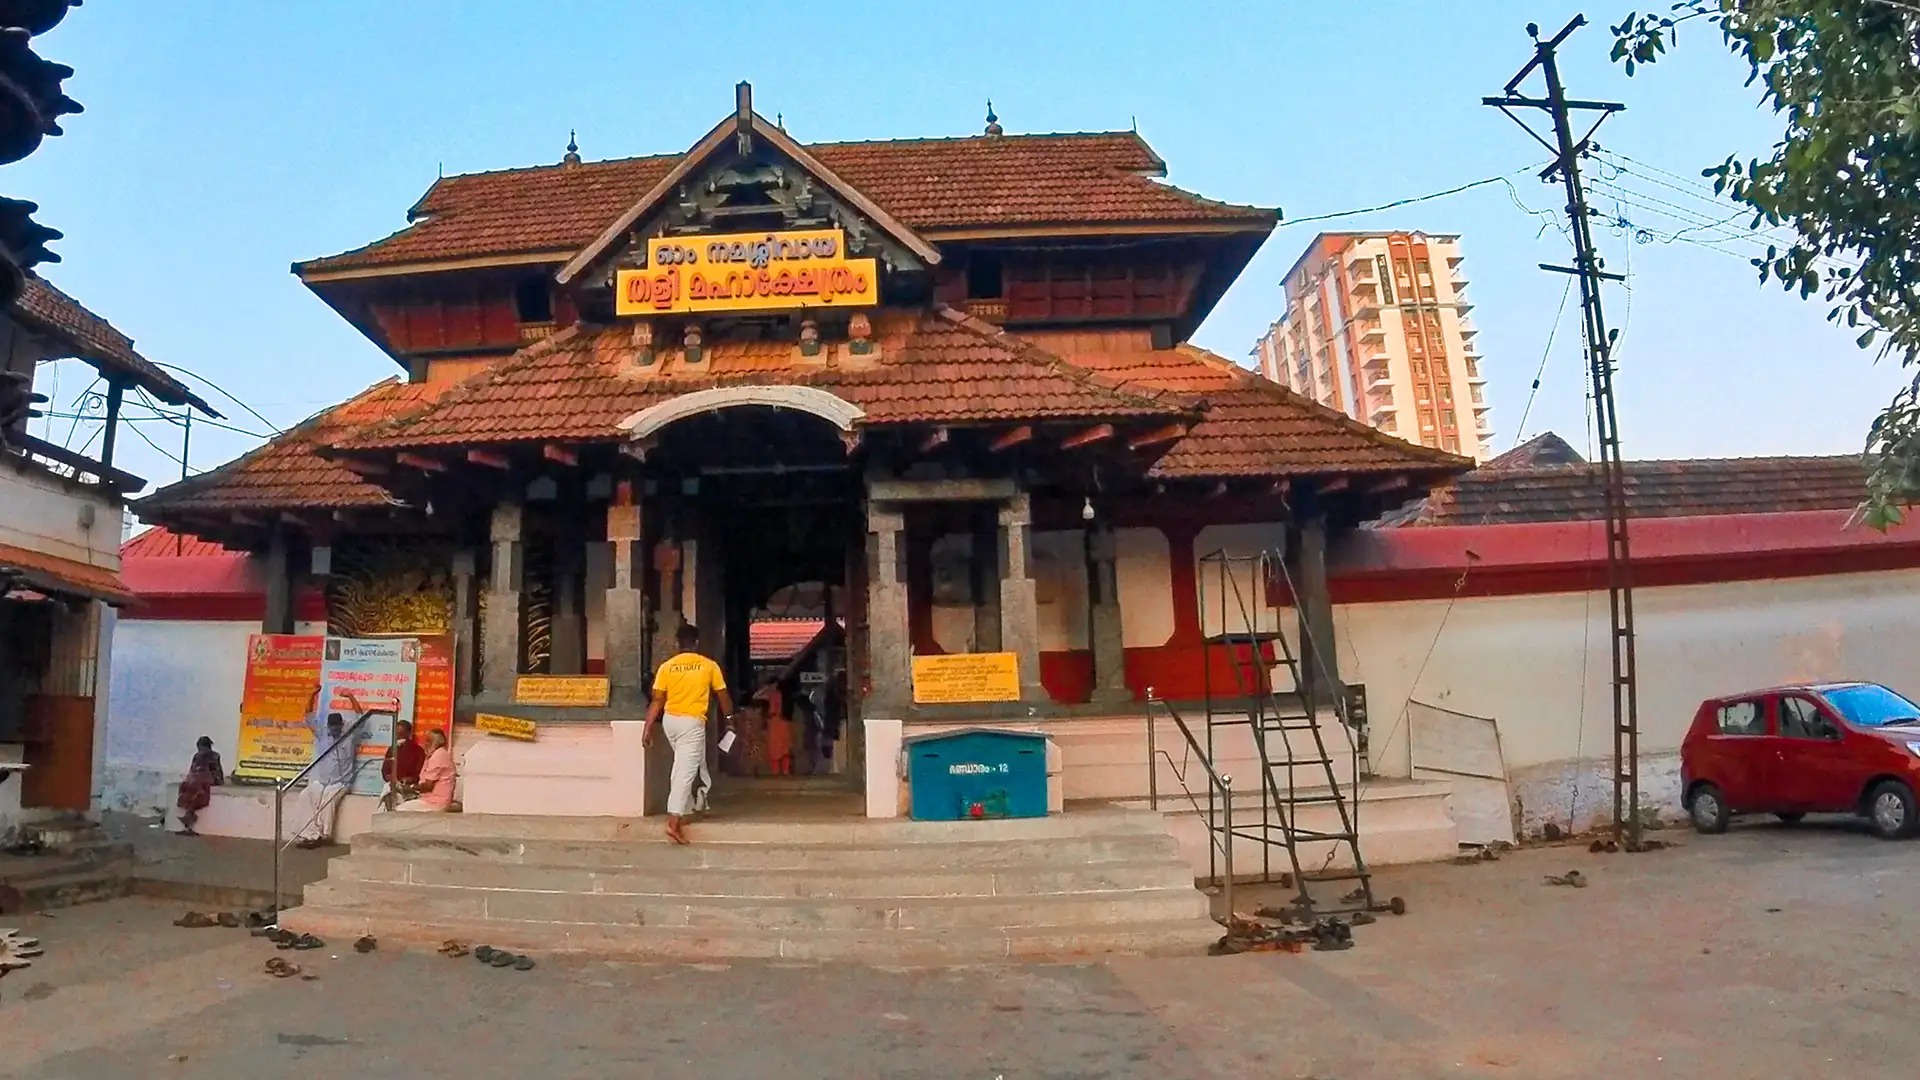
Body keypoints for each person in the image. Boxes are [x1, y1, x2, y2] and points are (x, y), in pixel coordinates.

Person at [643, 624, 733, 844]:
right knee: (684, 771)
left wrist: (647, 727)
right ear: (696, 643)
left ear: (677, 643)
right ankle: (674, 822)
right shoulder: (708, 666)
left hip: (670, 723)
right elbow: (723, 697)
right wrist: (730, 721)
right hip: (692, 723)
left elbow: (657, 700)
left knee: (688, 765)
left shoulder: (667, 667)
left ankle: (694, 805)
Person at [292, 686, 364, 849]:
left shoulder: (349, 733)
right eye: (332, 728)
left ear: (342, 724)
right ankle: (309, 834)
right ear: (329, 726)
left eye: (337, 727)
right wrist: (312, 694)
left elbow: (360, 715)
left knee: (328, 801)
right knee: (306, 795)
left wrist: (350, 696)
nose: (335, 730)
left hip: (341, 782)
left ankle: (325, 835)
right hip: (322, 780)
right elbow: (308, 715)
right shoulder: (322, 733)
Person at [398, 729, 457, 812]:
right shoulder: (434, 755)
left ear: (436, 743)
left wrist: (409, 788)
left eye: (429, 741)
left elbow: (428, 787)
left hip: (436, 802)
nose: (425, 744)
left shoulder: (439, 756)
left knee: (400, 810)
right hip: (428, 799)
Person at [175, 736, 224, 835]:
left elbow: (194, 770)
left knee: (193, 789)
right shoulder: (212, 755)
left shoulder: (200, 756)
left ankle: (189, 815)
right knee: (194, 788)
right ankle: (190, 815)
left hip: (203, 780)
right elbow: (218, 771)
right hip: (203, 780)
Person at [380, 719, 425, 808]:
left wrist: (408, 780)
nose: (399, 736)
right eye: (397, 733)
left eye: (401, 733)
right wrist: (388, 777)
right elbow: (385, 770)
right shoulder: (392, 749)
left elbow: (420, 773)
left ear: (408, 734)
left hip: (409, 789)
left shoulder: (418, 751)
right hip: (392, 786)